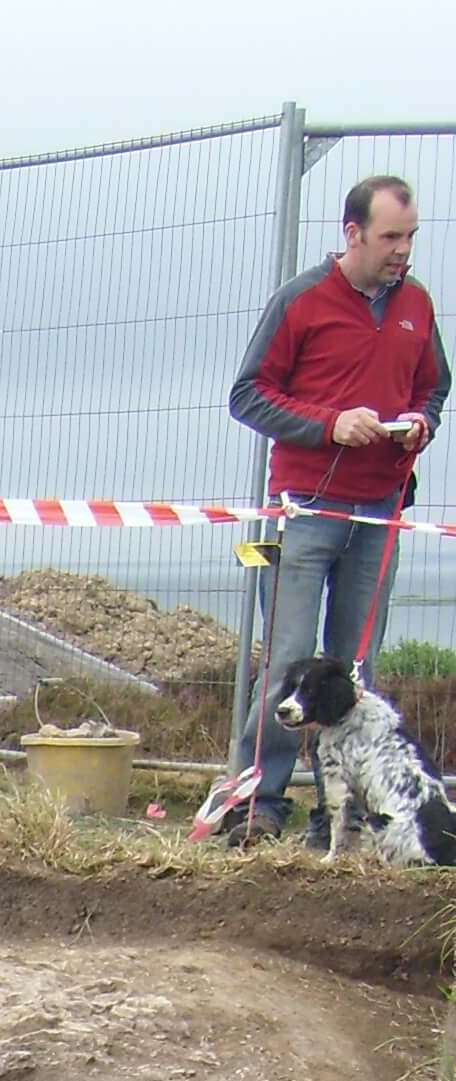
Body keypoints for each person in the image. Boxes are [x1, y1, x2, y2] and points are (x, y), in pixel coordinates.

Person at [225, 175, 448, 845]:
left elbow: (434, 389)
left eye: (410, 237)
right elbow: (247, 396)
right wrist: (329, 425)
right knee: (290, 661)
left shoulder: (418, 307)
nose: (402, 250)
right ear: (352, 233)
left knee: (354, 670)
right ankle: (257, 804)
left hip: (380, 512)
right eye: (390, 237)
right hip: (305, 508)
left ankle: (341, 815)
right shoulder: (301, 300)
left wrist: (421, 424)